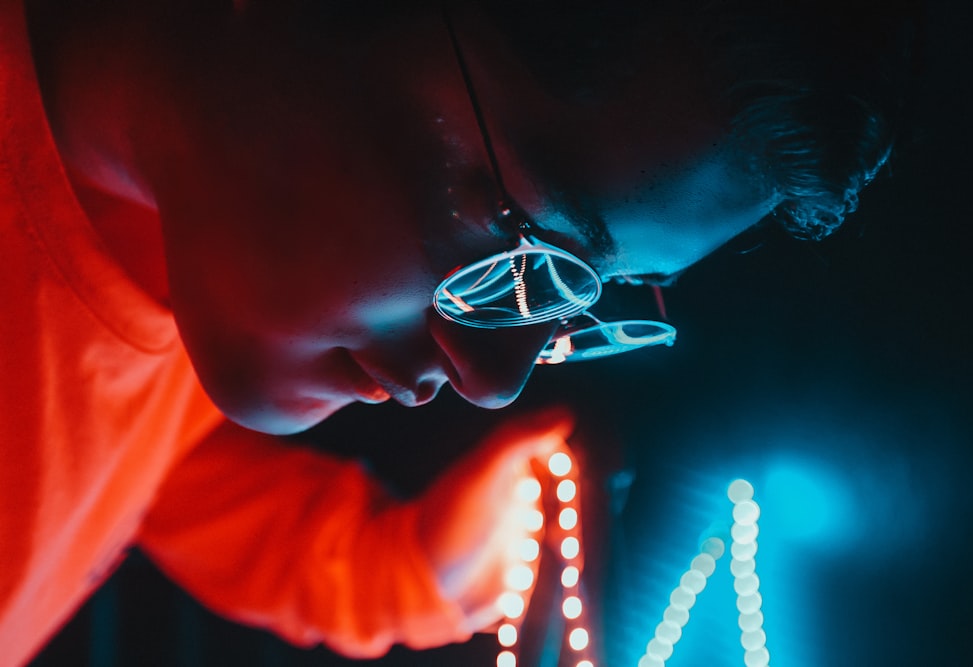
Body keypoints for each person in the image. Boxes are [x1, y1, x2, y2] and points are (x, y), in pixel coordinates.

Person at [0, 0, 915, 664]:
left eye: (578, 296)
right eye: (523, 238)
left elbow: (123, 472)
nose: (492, 379)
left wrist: (413, 564)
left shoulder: (172, 252)